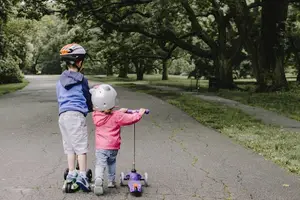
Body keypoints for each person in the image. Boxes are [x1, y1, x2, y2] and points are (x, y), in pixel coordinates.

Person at [89, 84, 146, 195]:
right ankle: (111, 181)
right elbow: (130, 119)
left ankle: (98, 179)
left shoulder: (96, 115)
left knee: (100, 164)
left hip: (101, 146)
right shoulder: (117, 116)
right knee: (111, 163)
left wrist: (120, 111)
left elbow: (107, 112)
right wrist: (139, 114)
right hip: (113, 146)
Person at [56, 43, 93, 192]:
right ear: (79, 62)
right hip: (76, 116)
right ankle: (83, 175)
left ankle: (71, 173)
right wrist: (91, 108)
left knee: (70, 147)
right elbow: (87, 96)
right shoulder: (82, 80)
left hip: (63, 116)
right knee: (81, 148)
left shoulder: (60, 81)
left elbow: (59, 97)